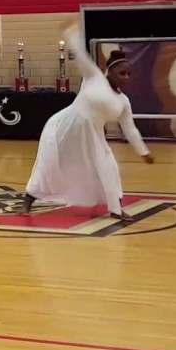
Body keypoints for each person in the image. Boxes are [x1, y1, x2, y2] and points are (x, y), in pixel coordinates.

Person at [20, 27, 155, 221]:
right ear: (109, 72)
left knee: (109, 167)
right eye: (121, 73)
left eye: (128, 74)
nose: (126, 77)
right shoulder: (94, 77)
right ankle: (28, 201)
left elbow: (130, 129)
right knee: (48, 164)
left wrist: (143, 152)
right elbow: (82, 57)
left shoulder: (123, 101)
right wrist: (71, 34)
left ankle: (116, 209)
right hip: (64, 127)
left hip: (93, 136)